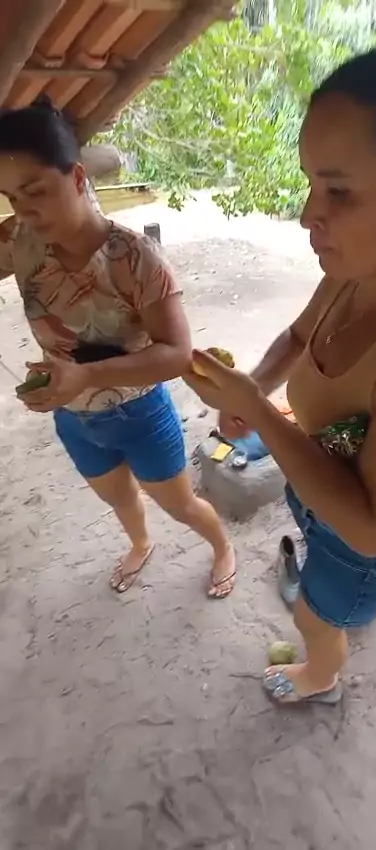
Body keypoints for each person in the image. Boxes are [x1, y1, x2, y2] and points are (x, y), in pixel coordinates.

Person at [185, 42, 376, 703]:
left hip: (368, 552)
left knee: (316, 617)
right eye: (312, 183)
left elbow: (374, 528)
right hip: (322, 501)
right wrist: (254, 387)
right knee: (322, 587)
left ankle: (321, 674)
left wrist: (259, 412)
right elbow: (297, 337)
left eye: (339, 190)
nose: (307, 215)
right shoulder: (354, 272)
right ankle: (333, 605)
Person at [0, 96, 235, 597]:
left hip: (140, 413)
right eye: (11, 197)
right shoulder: (19, 238)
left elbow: (176, 353)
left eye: (35, 191)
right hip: (73, 418)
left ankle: (222, 547)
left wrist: (86, 375)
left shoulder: (134, 259)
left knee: (180, 504)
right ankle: (141, 543)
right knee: (120, 500)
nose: (24, 210)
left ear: (77, 178)